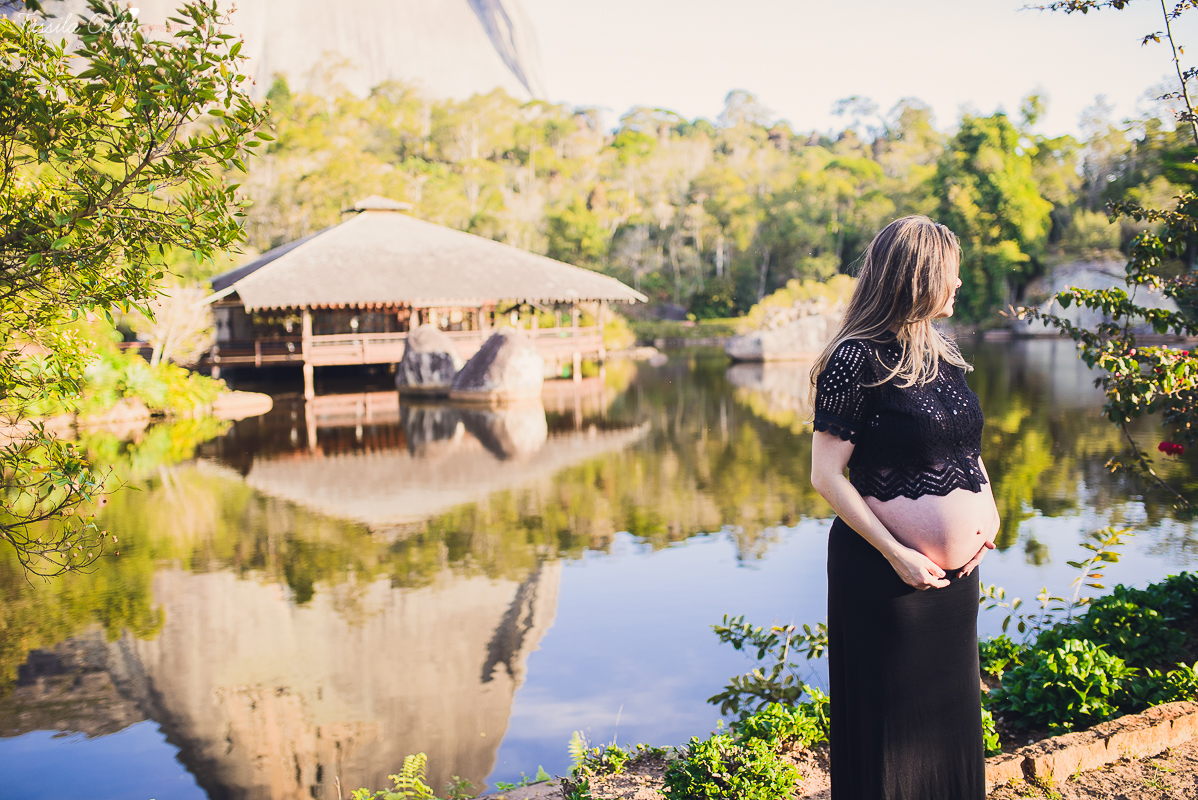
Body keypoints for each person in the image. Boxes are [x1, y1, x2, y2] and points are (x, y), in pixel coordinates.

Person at [809, 215, 1000, 799]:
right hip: (888, 578)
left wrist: (987, 518)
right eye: (951, 273)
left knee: (950, 720)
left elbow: (966, 447)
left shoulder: (939, 351)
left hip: (955, 580)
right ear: (917, 276)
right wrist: (897, 554)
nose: (959, 284)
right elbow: (826, 476)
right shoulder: (854, 358)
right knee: (893, 728)